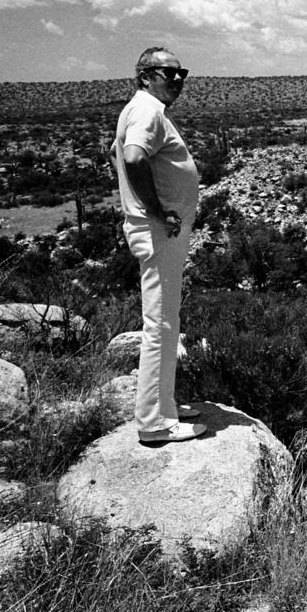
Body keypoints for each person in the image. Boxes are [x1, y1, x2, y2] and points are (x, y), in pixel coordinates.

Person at [111, 47, 206, 444]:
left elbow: (116, 152)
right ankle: (154, 422)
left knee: (167, 321)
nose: (178, 79)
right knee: (161, 324)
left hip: (158, 231)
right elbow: (133, 158)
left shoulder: (143, 109)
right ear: (146, 76)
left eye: (181, 72)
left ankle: (164, 403)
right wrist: (156, 210)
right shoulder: (147, 110)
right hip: (158, 231)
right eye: (169, 72)